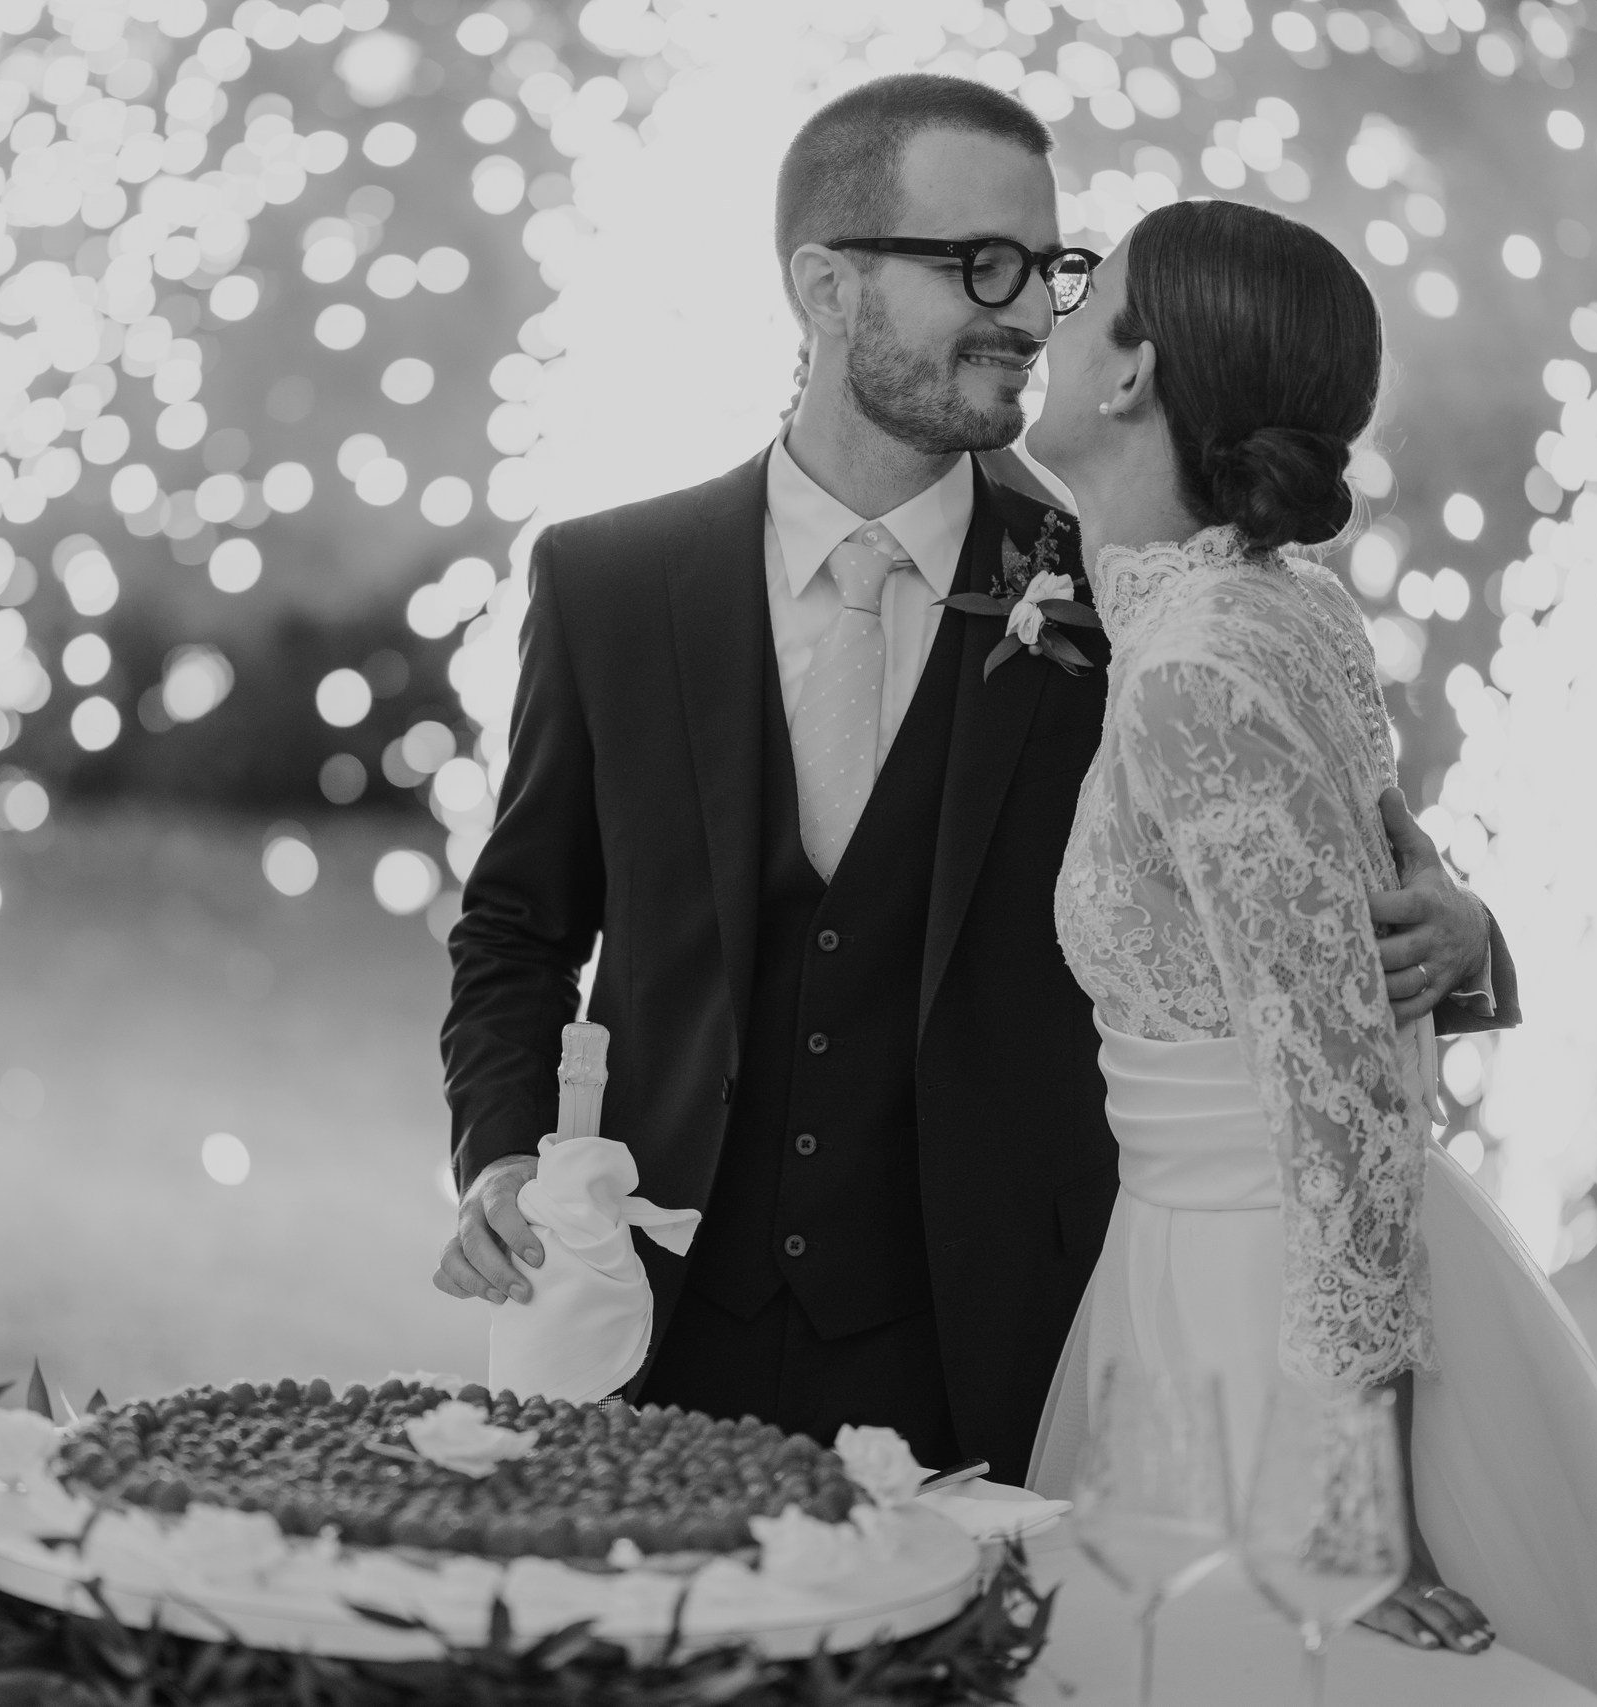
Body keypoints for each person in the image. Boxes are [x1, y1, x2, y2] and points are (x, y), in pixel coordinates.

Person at [434, 72, 1505, 1524]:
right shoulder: (608, 583)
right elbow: (516, 927)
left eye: (1051, 271)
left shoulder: (1137, 585)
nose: (1027, 312)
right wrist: (500, 1154)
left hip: (1002, 1344)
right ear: (826, 286)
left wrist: (1468, 937)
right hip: (654, 1323)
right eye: (977, 265)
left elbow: (1318, 874)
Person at [1019, 195, 1597, 1705]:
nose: (1049, 319)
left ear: (1132, 374)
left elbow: (1341, 1101)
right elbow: (1378, 897)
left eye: (1081, 295)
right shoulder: (1272, 602)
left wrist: (1359, 1511)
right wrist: (1464, 920)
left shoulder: (1196, 668)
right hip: (1199, 1254)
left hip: (1261, 1309)